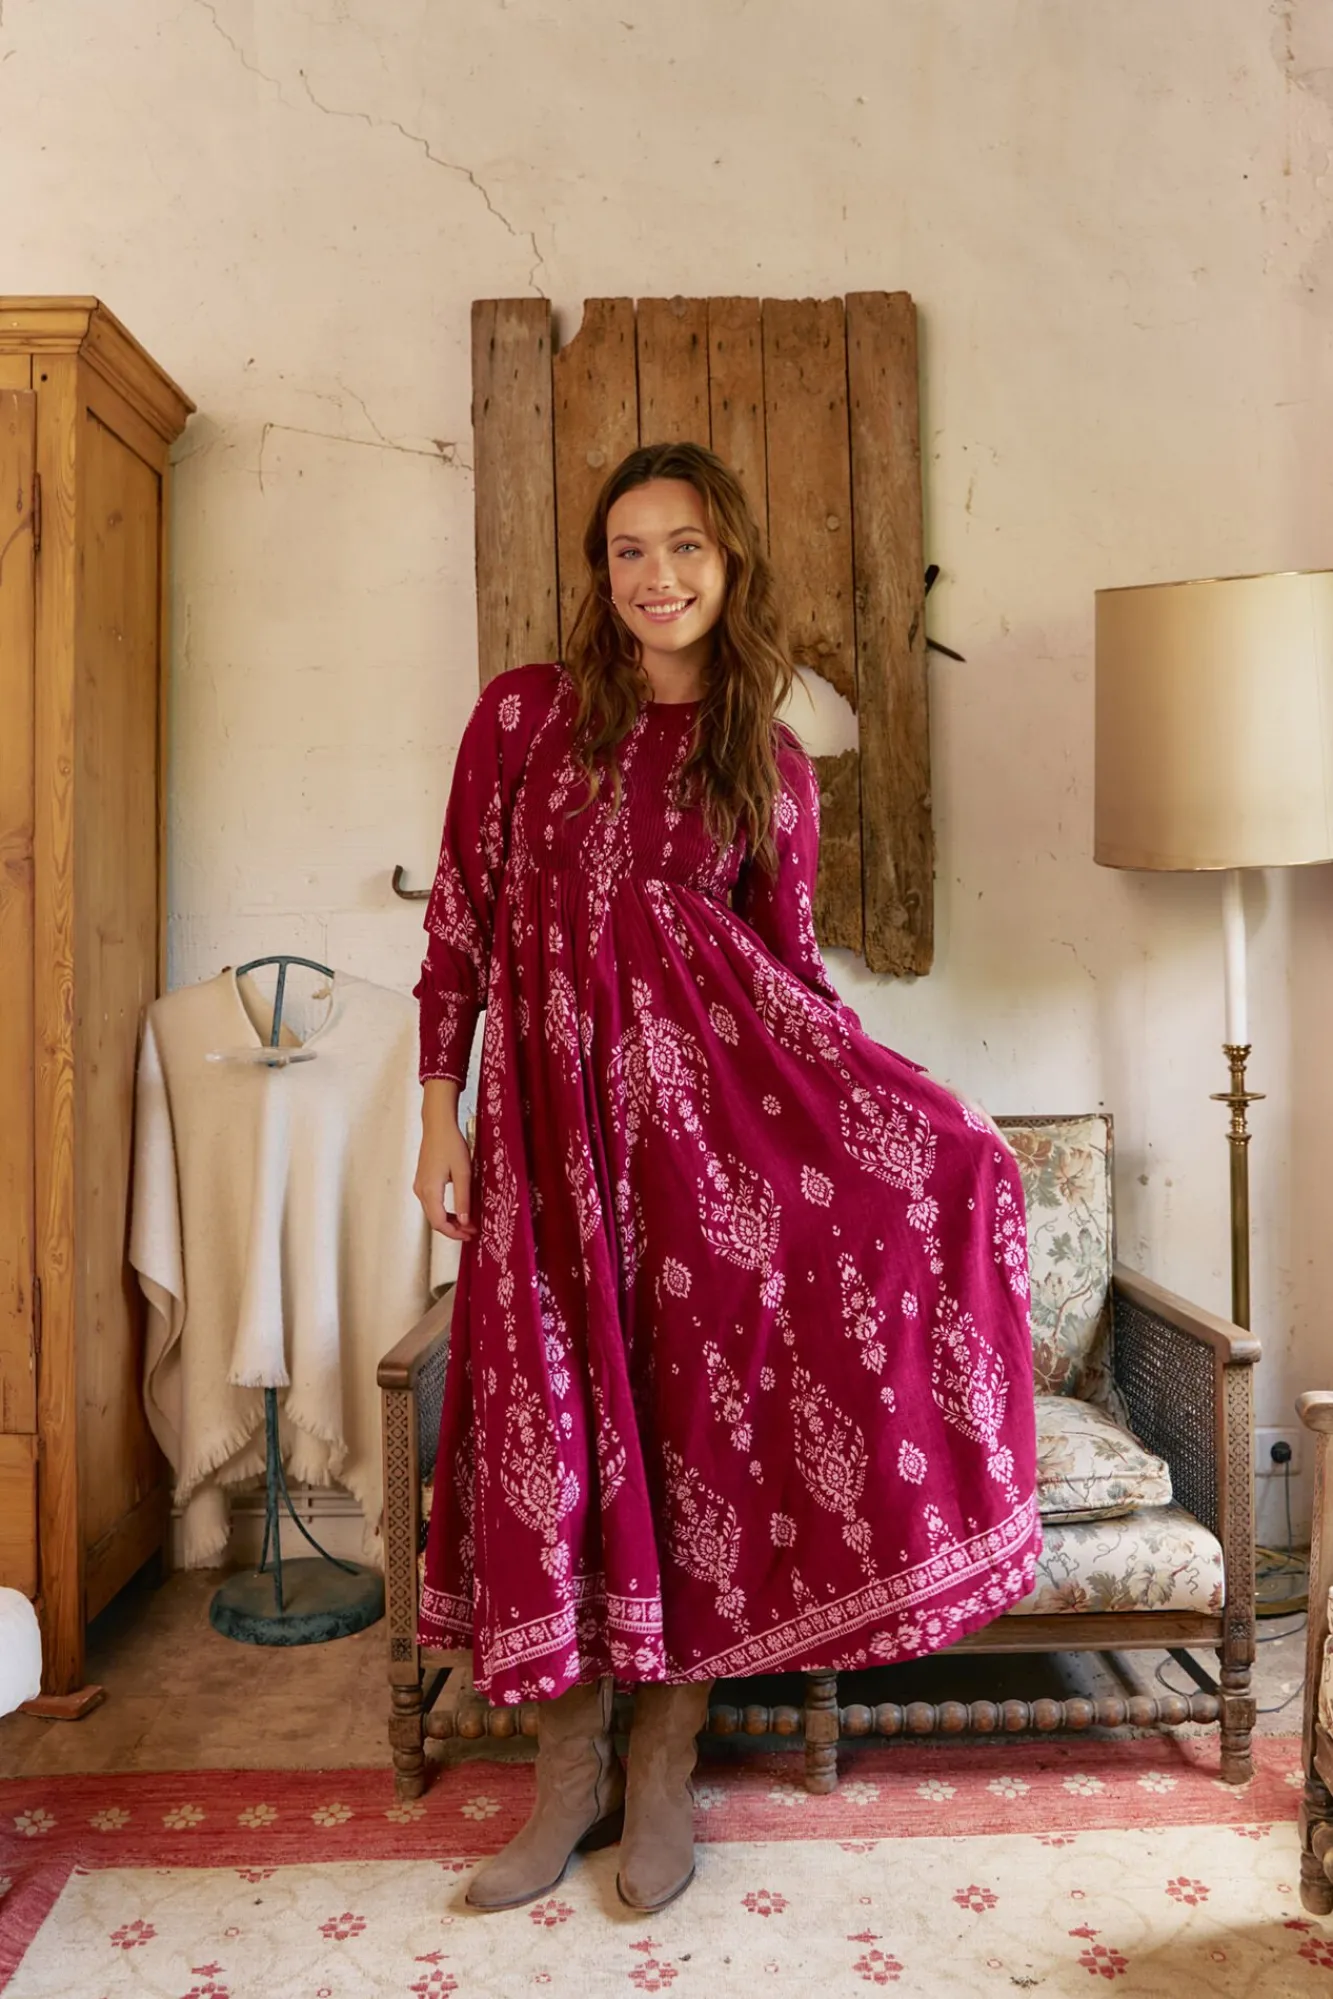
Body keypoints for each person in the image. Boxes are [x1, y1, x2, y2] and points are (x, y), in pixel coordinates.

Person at [413, 441, 1039, 1916]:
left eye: (684, 545)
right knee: (548, 1431)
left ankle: (661, 1766)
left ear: (730, 559)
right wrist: (440, 1113)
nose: (657, 576)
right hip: (545, 1151)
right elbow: (459, 922)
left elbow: (792, 986)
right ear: (601, 572)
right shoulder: (523, 719)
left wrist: (927, 1134)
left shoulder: (768, 765)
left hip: (702, 1169)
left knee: (689, 1442)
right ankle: (565, 1774)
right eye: (628, 550)